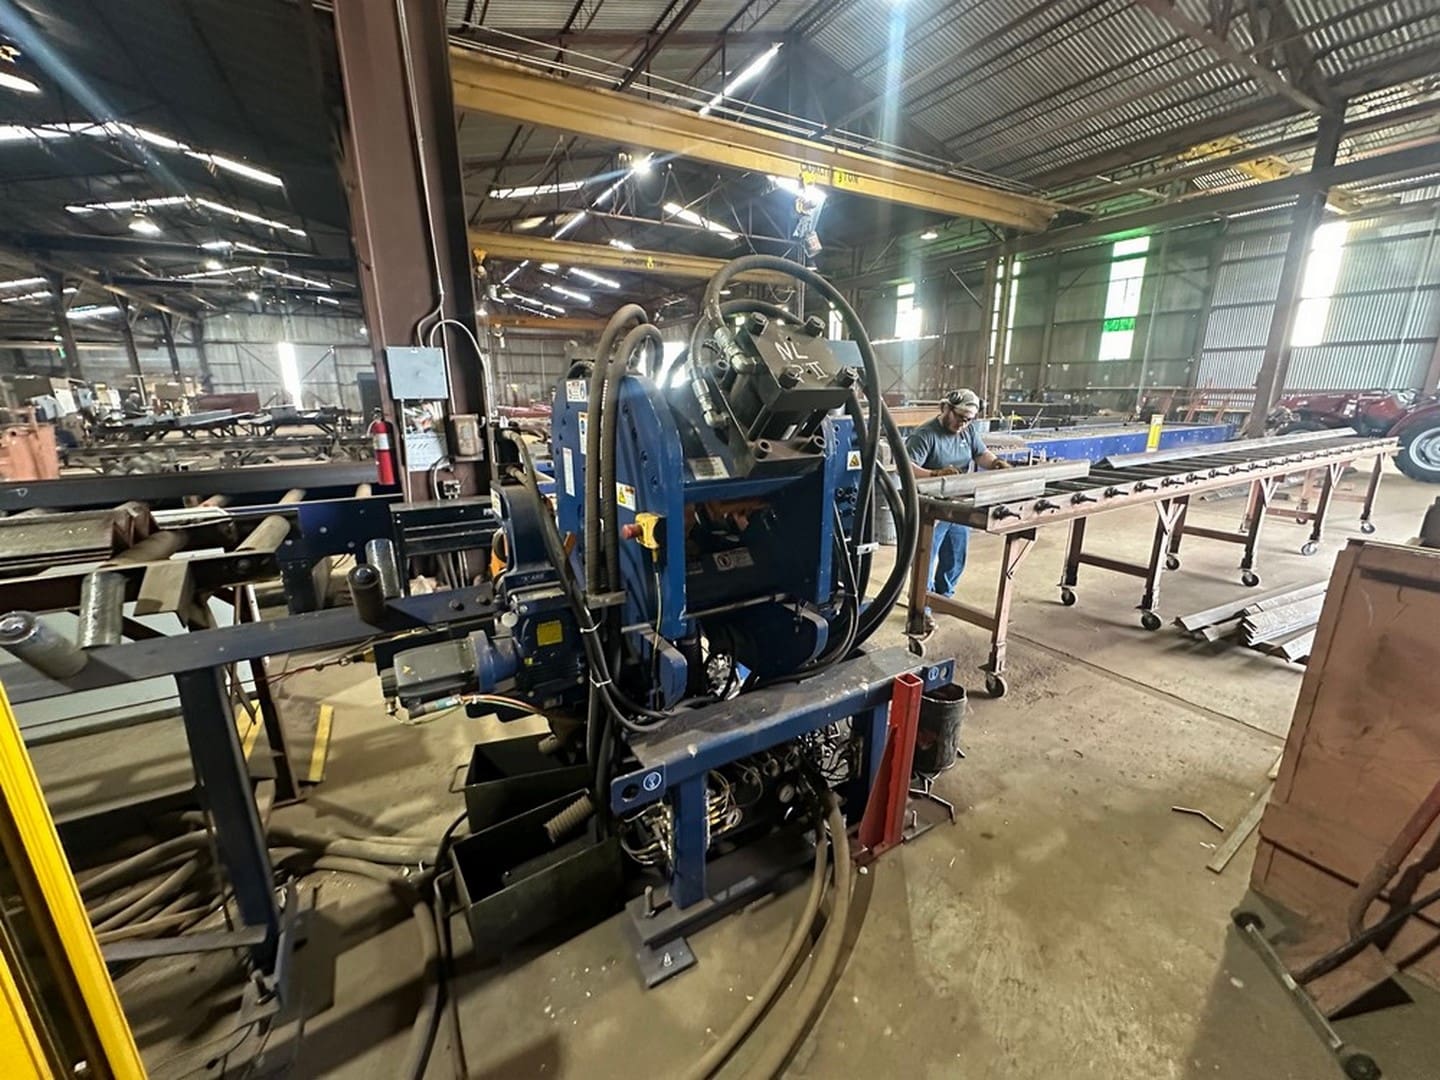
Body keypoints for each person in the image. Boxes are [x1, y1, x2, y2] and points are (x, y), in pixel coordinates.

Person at [905, 389, 1011, 616]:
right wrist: (935, 474)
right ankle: (921, 604)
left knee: (955, 556)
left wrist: (995, 463)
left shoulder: (968, 431)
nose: (962, 424)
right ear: (946, 408)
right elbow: (906, 468)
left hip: (959, 503)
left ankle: (944, 597)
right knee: (925, 557)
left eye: (968, 420)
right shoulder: (924, 435)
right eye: (960, 417)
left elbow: (980, 454)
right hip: (931, 507)